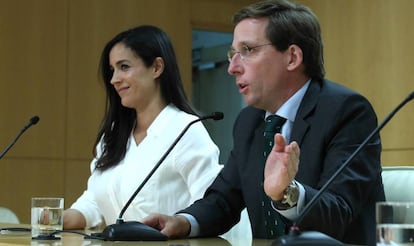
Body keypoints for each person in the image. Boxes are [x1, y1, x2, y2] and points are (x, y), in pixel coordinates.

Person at [142, 0, 385, 245]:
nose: (233, 68)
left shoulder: (347, 111)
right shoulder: (250, 121)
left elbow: (339, 212)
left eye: (247, 50)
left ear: (292, 57)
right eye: (232, 54)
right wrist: (183, 222)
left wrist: (286, 193)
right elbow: (224, 201)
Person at [63, 25, 222, 230]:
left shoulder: (186, 130)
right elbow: (95, 202)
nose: (114, 79)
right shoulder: (114, 135)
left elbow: (210, 208)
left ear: (156, 67)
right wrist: (55, 219)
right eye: (112, 70)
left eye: (124, 67)